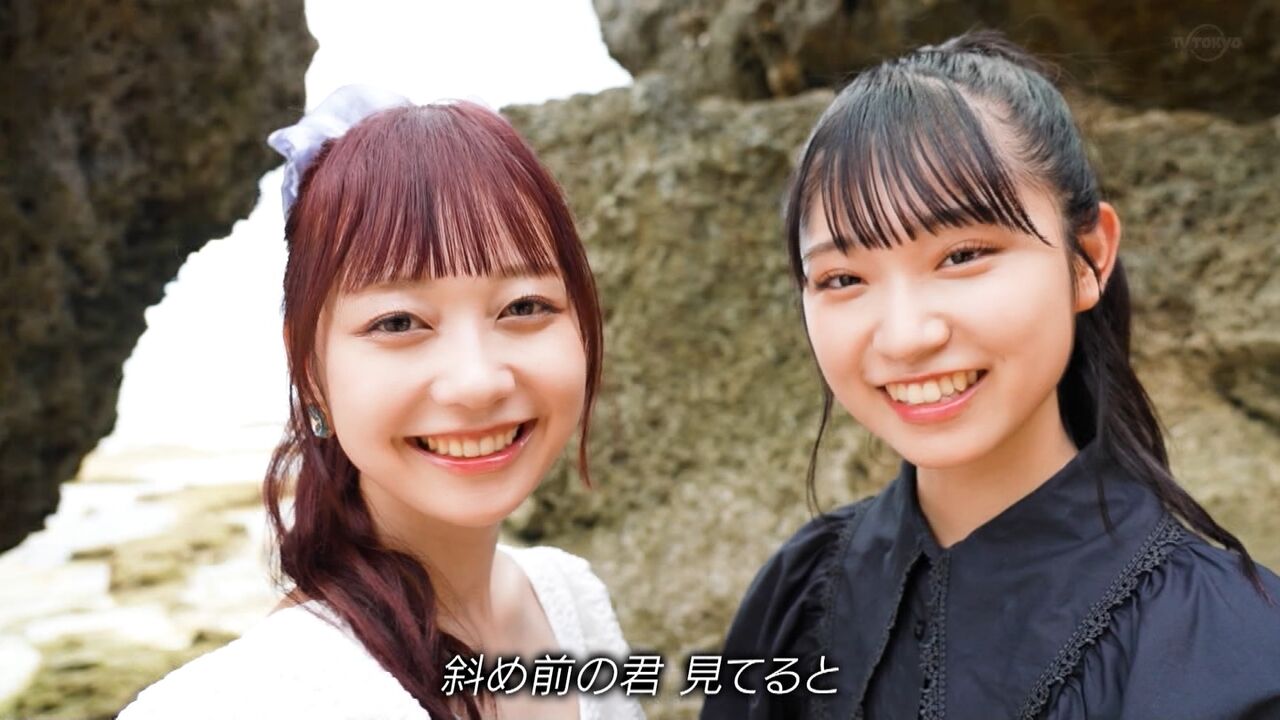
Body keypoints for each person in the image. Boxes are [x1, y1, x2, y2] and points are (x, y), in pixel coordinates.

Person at [701, 30, 1280, 720]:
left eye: (963, 255)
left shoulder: (1235, 648)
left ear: (1088, 259)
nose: (905, 336)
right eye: (843, 278)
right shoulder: (798, 595)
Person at [119, 86, 644, 720]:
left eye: (524, 306)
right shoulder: (242, 704)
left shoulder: (568, 600)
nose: (476, 381)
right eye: (398, 322)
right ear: (309, 368)